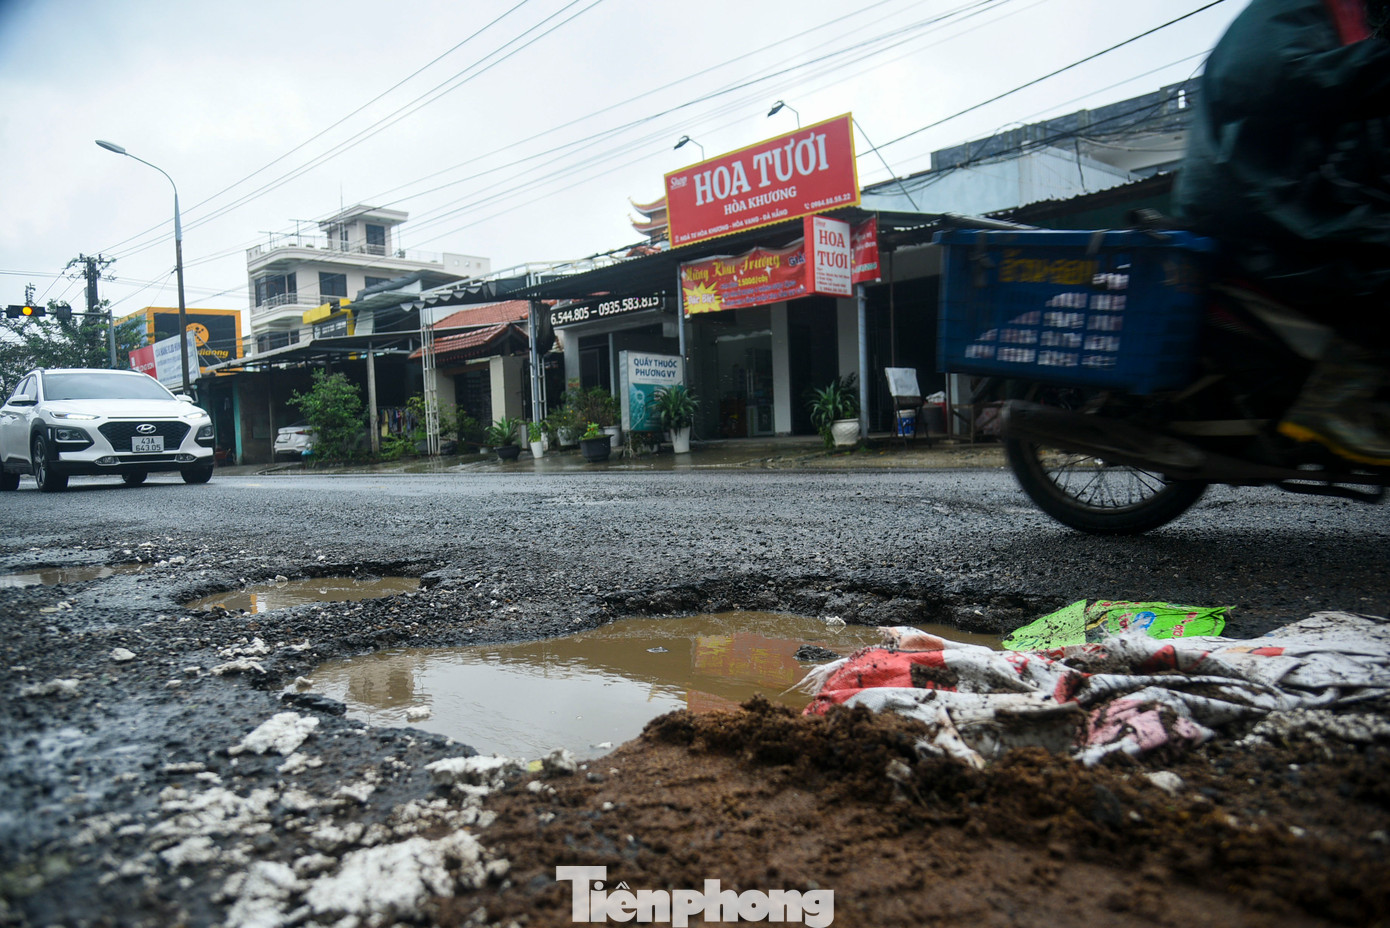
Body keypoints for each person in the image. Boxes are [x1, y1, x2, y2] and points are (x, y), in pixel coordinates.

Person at [1174, 0, 1390, 466]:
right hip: (1249, 195)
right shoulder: (1286, 12)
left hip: (1287, 192)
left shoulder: (1344, 28)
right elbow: (1277, 79)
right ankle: (1334, 402)